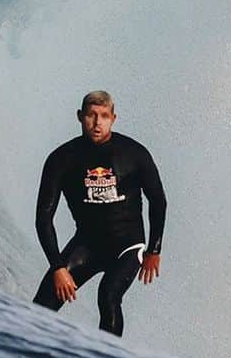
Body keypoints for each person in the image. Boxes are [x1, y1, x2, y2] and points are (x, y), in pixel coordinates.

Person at [32, 91, 166, 337]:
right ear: (80, 116)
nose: (97, 122)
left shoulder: (135, 154)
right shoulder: (61, 159)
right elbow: (43, 217)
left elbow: (158, 200)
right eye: (91, 115)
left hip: (128, 246)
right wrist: (58, 267)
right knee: (44, 301)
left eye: (104, 116)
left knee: (108, 295)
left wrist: (153, 250)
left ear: (113, 118)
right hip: (87, 244)